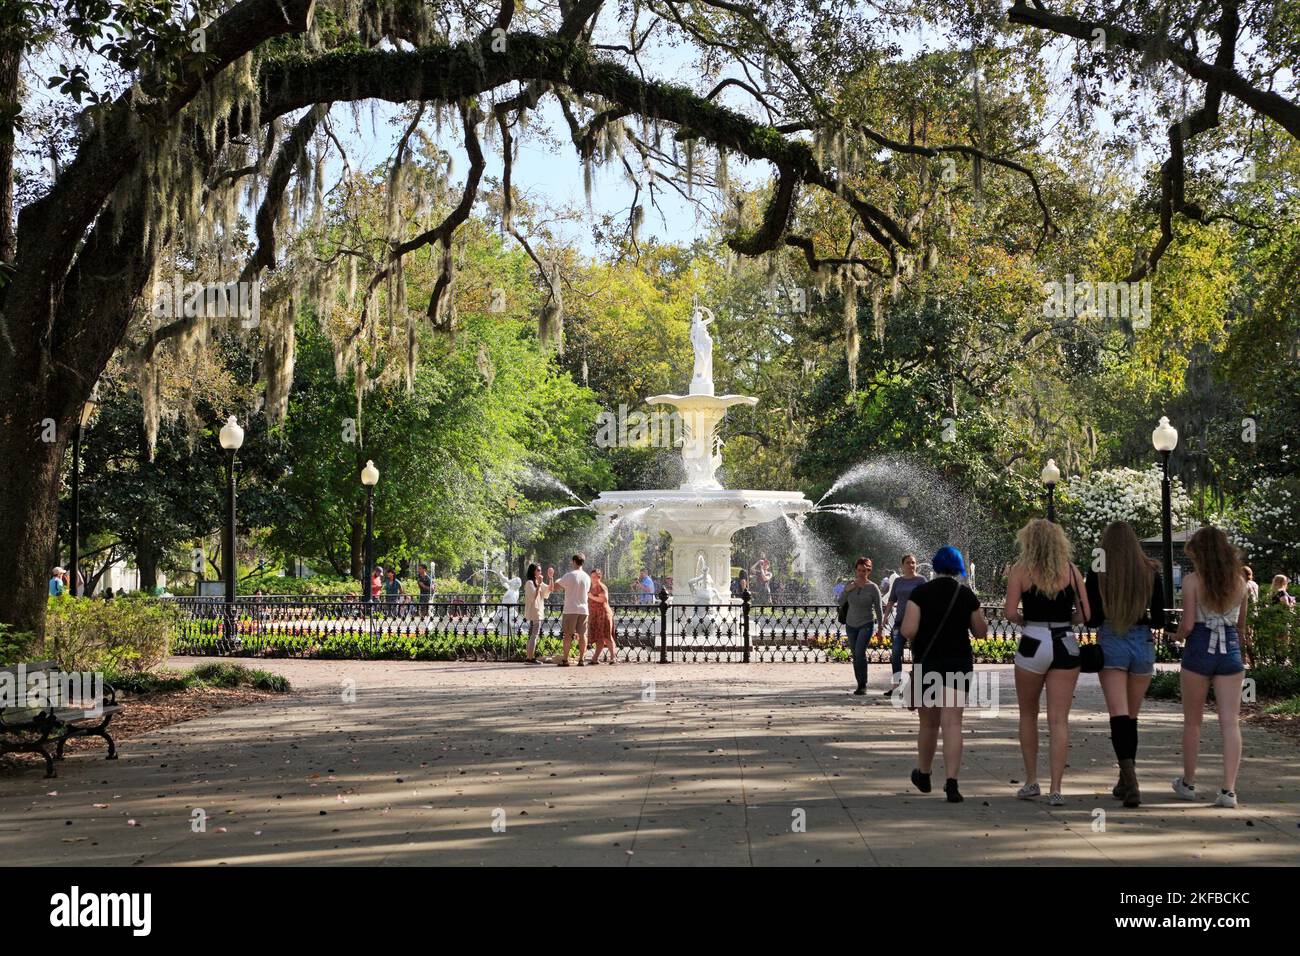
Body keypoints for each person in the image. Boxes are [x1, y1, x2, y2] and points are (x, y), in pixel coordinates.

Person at [1005, 518, 1090, 806]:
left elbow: (1009, 612)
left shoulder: (1021, 570)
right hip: (1064, 641)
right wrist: (1067, 620)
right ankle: (1056, 788)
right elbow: (1085, 613)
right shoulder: (1071, 571)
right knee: (1059, 720)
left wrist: (1024, 621)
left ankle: (1031, 781)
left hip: (1033, 640)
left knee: (1028, 714)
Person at [1084, 521, 1166, 807]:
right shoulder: (1150, 570)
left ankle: (1131, 781)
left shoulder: (1097, 569)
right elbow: (1159, 619)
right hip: (1142, 642)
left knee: (1119, 716)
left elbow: (1092, 618)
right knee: (1131, 717)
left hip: (1112, 639)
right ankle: (1125, 778)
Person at [902, 546, 987, 803]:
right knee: (953, 723)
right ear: (959, 567)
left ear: (935, 566)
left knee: (928, 724)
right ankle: (952, 783)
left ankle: (925, 774)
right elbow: (981, 632)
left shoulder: (921, 593)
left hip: (928, 663)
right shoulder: (965, 594)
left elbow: (908, 630)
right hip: (958, 662)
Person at [1173, 526, 1250, 808]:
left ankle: (1188, 783)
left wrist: (1176, 636)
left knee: (1193, 721)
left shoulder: (1193, 581)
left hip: (1200, 647)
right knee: (1230, 722)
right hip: (1229, 647)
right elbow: (1241, 626)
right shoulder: (1240, 580)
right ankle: (1229, 790)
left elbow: (1188, 624)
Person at [838, 557, 883, 695]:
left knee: (859, 653)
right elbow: (840, 602)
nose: (861, 573)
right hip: (851, 625)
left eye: (864, 571)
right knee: (855, 655)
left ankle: (863, 684)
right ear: (856, 570)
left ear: (868, 571)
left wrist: (880, 628)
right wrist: (847, 590)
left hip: (866, 624)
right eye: (859, 570)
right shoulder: (850, 585)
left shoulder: (873, 587)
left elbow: (879, 609)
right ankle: (859, 683)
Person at [882, 554, 925, 697]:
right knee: (895, 653)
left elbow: (928, 601)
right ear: (902, 565)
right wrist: (885, 616)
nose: (911, 565)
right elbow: (891, 600)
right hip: (900, 623)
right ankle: (896, 686)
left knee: (917, 655)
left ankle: (917, 686)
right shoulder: (898, 581)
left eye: (913, 563)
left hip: (917, 623)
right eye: (908, 563)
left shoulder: (921, 580)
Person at [550, 553, 591, 666]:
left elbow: (555, 587)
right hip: (583, 609)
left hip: (570, 609)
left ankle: (565, 660)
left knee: (568, 635)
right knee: (582, 635)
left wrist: (557, 579)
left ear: (573, 562)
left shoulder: (569, 575)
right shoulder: (587, 577)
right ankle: (582, 660)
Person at [523, 563, 552, 664]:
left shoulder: (537, 581)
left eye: (540, 570)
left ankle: (529, 657)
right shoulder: (530, 583)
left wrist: (551, 578)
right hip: (534, 612)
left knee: (533, 635)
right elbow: (533, 597)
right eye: (538, 570)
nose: (540, 572)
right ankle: (529, 658)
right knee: (534, 635)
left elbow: (549, 589)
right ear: (533, 572)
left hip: (537, 612)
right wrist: (539, 584)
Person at [587, 569, 618, 664]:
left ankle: (613, 658)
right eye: (591, 576)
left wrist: (590, 596)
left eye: (594, 576)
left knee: (607, 636)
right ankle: (595, 659)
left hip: (603, 614)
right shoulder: (591, 587)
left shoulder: (601, 586)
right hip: (596, 615)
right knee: (599, 638)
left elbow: (604, 599)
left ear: (599, 577)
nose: (592, 578)